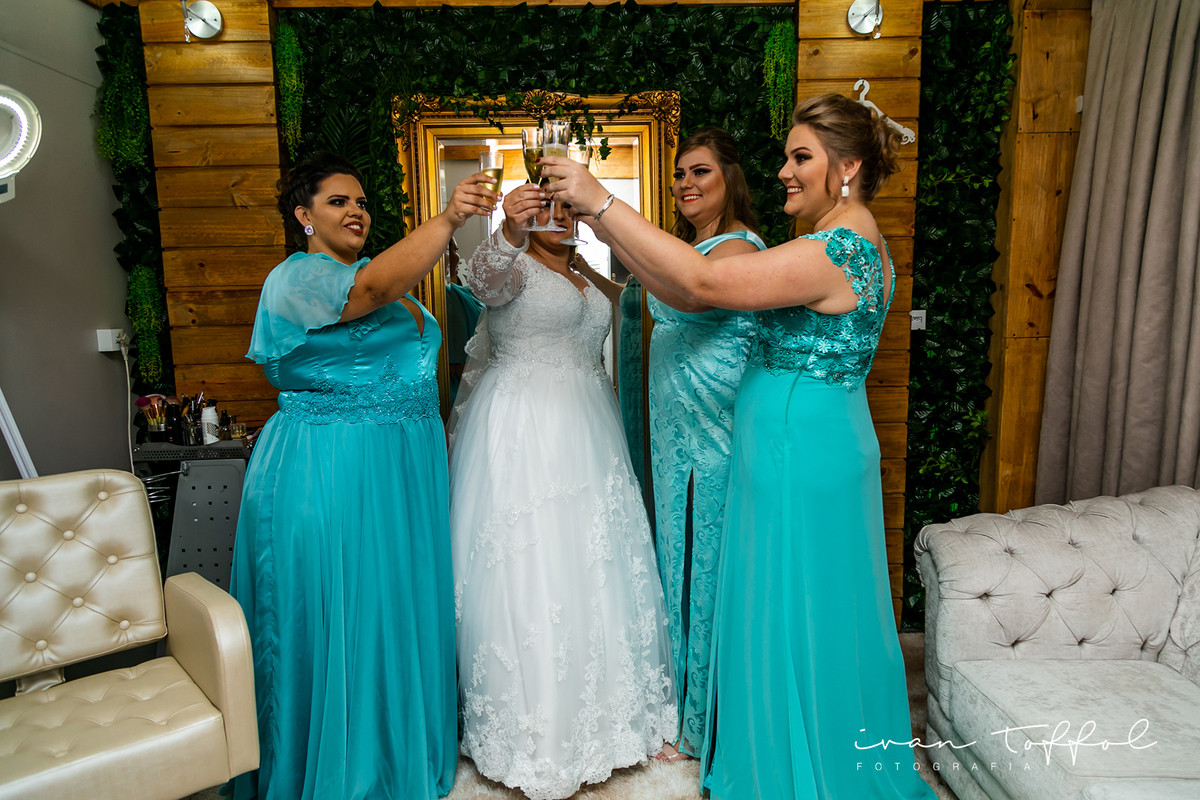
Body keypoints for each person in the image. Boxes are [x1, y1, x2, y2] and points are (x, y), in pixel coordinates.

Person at [542, 95, 936, 800]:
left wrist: (600, 201)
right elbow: (680, 284)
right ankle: (797, 748)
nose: (783, 171)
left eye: (801, 157)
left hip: (798, 454)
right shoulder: (850, 243)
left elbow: (702, 281)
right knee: (809, 609)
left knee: (794, 608)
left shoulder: (837, 249)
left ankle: (793, 770)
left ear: (847, 168)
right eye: (787, 156)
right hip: (812, 443)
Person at [229, 151, 496, 800]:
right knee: (342, 611)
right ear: (303, 215)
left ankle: (392, 751)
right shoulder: (296, 278)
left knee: (389, 606)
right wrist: (448, 218)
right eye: (338, 201)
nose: (356, 212)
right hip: (330, 467)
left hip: (401, 472)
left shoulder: (376, 273)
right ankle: (340, 771)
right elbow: (370, 293)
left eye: (361, 202)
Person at [449, 183, 676, 800]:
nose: (558, 216)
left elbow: (633, 307)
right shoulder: (513, 266)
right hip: (525, 428)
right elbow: (481, 280)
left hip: (589, 428)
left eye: (567, 206)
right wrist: (508, 230)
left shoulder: (584, 277)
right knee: (534, 564)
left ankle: (609, 717)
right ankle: (535, 731)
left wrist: (601, 241)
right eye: (544, 207)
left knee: (594, 564)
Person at [604, 127, 767, 763]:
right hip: (676, 437)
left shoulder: (738, 248)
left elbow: (692, 293)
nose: (685, 183)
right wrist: (598, 245)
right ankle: (678, 699)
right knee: (679, 560)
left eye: (700, 171)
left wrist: (604, 212)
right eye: (679, 174)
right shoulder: (693, 247)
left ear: (730, 179)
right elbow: (651, 286)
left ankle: (703, 715)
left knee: (705, 566)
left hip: (711, 434)